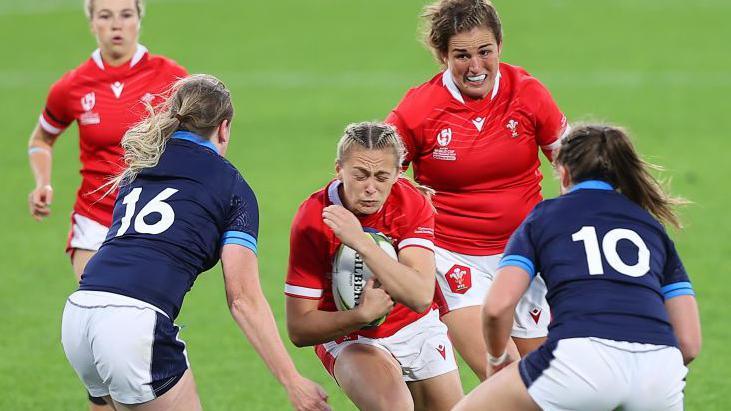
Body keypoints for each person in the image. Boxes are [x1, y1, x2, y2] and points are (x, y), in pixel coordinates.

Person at [61, 75, 331, 411]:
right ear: (224, 128)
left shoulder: (138, 170)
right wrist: (293, 381)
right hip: (134, 325)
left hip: (80, 315)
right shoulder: (231, 186)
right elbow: (243, 298)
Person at [453, 124, 702, 411]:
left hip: (580, 358)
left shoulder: (545, 216)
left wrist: (497, 359)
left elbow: (497, 306)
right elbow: (689, 342)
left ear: (564, 172)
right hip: (660, 372)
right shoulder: (651, 227)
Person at [385, 0, 569, 379]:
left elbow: (573, 165)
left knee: (550, 383)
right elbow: (378, 172)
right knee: (508, 383)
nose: (475, 67)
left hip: (524, 255)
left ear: (499, 45)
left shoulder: (528, 93)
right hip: (454, 258)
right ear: (442, 55)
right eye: (461, 55)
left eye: (485, 52)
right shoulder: (418, 109)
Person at [285, 122, 463, 411]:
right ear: (339, 169)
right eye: (360, 175)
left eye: (382, 177)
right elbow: (299, 328)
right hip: (351, 336)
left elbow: (419, 297)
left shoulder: (410, 201)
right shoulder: (313, 218)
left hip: (416, 328)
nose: (371, 188)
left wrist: (362, 242)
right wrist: (360, 315)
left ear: (397, 173)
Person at [27, 0, 187, 280]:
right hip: (94, 218)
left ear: (139, 19)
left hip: (153, 216)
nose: (116, 24)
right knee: (94, 310)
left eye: (126, 15)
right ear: (92, 23)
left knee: (146, 317)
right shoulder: (72, 86)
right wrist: (43, 182)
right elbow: (41, 139)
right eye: (105, 16)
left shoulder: (173, 78)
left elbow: (199, 140)